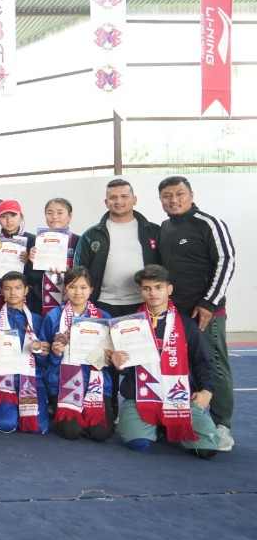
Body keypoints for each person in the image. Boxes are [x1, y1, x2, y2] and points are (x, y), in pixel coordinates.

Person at [157, 175, 236, 451]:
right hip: (174, 314)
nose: (173, 200)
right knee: (178, 366)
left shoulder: (209, 223)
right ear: (161, 200)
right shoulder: (165, 228)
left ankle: (221, 425)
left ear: (191, 195)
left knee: (214, 365)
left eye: (179, 194)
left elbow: (226, 261)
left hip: (206, 313)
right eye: (167, 196)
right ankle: (181, 419)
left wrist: (209, 303)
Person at [112, 265, 219, 459]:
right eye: (147, 288)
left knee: (207, 449)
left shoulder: (186, 325)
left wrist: (207, 391)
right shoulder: (128, 325)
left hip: (180, 398)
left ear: (169, 289)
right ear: (141, 291)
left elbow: (204, 362)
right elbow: (125, 369)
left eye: (158, 287)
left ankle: (166, 423)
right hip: (141, 397)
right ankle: (156, 425)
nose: (152, 293)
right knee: (138, 444)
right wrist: (119, 364)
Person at [39, 267, 115, 442]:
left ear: (91, 290)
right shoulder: (54, 316)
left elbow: (112, 358)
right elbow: (42, 357)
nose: (78, 292)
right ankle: (59, 409)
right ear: (65, 289)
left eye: (83, 287)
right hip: (63, 382)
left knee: (101, 434)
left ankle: (85, 416)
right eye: (72, 287)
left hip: (95, 383)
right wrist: (55, 353)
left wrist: (111, 357)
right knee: (71, 432)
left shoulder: (104, 317)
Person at [74, 179, 160, 317]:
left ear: (134, 199)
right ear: (106, 202)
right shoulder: (91, 235)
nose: (118, 201)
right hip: (102, 303)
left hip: (144, 302)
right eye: (113, 197)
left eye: (124, 196)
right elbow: (79, 271)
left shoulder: (154, 231)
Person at [0, 272, 49, 434]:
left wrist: (40, 350)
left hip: (32, 378)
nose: (13, 292)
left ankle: (25, 407)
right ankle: (8, 408)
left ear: (26, 290)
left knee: (38, 427)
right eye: (7, 288)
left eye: (18, 288)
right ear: (2, 291)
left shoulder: (37, 320)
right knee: (6, 424)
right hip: (3, 378)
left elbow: (45, 358)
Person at [28, 198, 78, 317]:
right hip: (40, 299)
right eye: (49, 213)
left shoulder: (79, 241)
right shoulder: (37, 241)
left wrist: (68, 271)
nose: (54, 217)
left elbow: (85, 273)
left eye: (60, 213)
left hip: (72, 298)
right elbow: (30, 277)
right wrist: (31, 262)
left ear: (70, 216)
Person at [0, 199, 35, 313]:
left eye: (13, 215)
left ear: (21, 217)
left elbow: (37, 276)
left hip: (25, 297)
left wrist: (29, 261)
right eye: (4, 217)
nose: (9, 220)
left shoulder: (32, 240)